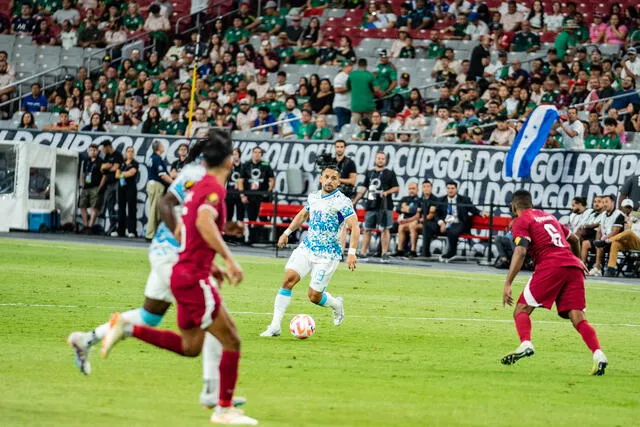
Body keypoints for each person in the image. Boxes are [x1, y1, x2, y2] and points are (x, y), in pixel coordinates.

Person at [68, 138, 244, 410]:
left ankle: (86, 339)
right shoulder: (197, 175)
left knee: (150, 315)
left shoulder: (199, 175)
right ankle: (213, 393)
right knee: (214, 320)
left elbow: (195, 217)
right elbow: (166, 204)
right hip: (175, 256)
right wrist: (179, 233)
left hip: (170, 254)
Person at [500, 190, 608, 376]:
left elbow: (521, 251)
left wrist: (508, 282)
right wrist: (577, 259)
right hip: (572, 266)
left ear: (514, 206)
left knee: (521, 310)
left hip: (550, 265)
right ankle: (599, 354)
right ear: (531, 203)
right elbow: (574, 239)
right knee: (578, 317)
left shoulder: (521, 221)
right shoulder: (547, 216)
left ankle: (526, 343)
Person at [260, 165, 359, 337]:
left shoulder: (342, 201)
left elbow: (354, 226)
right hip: (307, 248)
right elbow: (303, 215)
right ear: (321, 178)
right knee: (287, 280)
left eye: (333, 178)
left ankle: (336, 304)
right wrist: (286, 232)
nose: (329, 181)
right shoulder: (313, 197)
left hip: (328, 254)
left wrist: (352, 252)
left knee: (313, 296)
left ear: (338, 181)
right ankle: (275, 326)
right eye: (326, 177)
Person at [352, 151, 400, 263]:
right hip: (371, 204)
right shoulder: (370, 173)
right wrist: (354, 201)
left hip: (385, 205)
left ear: (385, 160)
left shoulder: (389, 173)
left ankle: (384, 254)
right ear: (375, 159)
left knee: (385, 229)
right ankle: (363, 253)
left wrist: (386, 192)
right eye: (378, 158)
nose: (380, 160)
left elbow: (396, 188)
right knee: (367, 229)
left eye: (382, 158)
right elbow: (363, 189)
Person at [437, 181, 488, 262]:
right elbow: (437, 214)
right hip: (447, 222)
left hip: (461, 223)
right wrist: (441, 223)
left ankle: (451, 253)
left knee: (452, 228)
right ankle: (424, 253)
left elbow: (472, 209)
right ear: (446, 189)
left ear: (457, 189)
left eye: (452, 188)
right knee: (429, 226)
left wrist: (481, 212)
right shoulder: (441, 200)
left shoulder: (464, 199)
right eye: (448, 188)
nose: (450, 190)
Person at [237, 147, 275, 244]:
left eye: (259, 152)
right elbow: (240, 181)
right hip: (249, 196)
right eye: (255, 152)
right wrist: (242, 195)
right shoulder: (246, 165)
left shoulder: (265, 165)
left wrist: (269, 191)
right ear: (252, 153)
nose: (257, 154)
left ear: (261, 154)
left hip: (262, 196)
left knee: (264, 218)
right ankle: (251, 238)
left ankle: (264, 239)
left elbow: (272, 180)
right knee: (251, 218)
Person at [589, 195, 625, 276]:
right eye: (603, 202)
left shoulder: (619, 214)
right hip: (605, 240)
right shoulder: (603, 214)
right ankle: (596, 267)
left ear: (612, 202)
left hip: (616, 241)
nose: (604, 204)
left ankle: (598, 267)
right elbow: (599, 230)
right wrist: (597, 240)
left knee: (600, 245)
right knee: (597, 243)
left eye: (606, 202)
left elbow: (615, 231)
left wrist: (604, 239)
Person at [145, 140, 173, 240]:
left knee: (156, 210)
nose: (163, 147)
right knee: (154, 210)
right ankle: (150, 234)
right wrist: (174, 183)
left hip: (153, 184)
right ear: (158, 148)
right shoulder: (157, 158)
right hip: (156, 185)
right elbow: (163, 176)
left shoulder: (152, 158)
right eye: (162, 145)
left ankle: (154, 233)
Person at [605, 199, 640, 277]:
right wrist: (627, 223)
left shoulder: (635, 216)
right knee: (616, 243)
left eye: (629, 208)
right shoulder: (624, 218)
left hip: (638, 242)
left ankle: (608, 241)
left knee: (629, 232)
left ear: (632, 209)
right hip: (630, 243)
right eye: (626, 207)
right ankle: (611, 268)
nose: (628, 209)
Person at [78, 144, 104, 233]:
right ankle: (85, 225)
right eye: (91, 150)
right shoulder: (86, 161)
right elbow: (84, 173)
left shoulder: (100, 161)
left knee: (94, 206)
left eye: (94, 150)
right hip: (86, 186)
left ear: (97, 151)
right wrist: (83, 183)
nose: (92, 152)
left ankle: (90, 226)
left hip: (95, 186)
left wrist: (100, 186)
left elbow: (104, 175)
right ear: (88, 151)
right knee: (82, 205)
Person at [100, 141, 123, 236]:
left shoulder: (117, 155)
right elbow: (102, 169)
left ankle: (120, 227)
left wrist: (106, 167)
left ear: (108, 146)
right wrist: (106, 166)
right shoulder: (107, 157)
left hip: (117, 183)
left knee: (118, 205)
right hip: (109, 184)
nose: (102, 150)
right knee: (109, 206)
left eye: (103, 148)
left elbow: (115, 168)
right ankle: (112, 226)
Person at [392, 182, 421, 258]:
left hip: (414, 220)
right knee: (401, 227)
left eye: (413, 188)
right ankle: (400, 250)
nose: (411, 190)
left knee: (413, 225)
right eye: (410, 189)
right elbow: (397, 208)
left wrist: (405, 208)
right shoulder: (404, 198)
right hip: (404, 221)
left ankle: (413, 250)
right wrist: (408, 209)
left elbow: (415, 211)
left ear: (418, 190)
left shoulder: (419, 200)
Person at [116, 146, 138, 238]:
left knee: (131, 209)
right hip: (121, 187)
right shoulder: (121, 163)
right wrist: (124, 174)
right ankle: (121, 230)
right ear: (126, 153)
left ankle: (131, 230)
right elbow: (116, 175)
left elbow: (132, 173)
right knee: (121, 208)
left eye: (132, 151)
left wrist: (122, 173)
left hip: (131, 188)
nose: (130, 153)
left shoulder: (135, 163)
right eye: (128, 151)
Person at [226, 148, 245, 223]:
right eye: (233, 154)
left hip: (239, 194)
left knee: (240, 217)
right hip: (229, 194)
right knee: (228, 216)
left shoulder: (244, 166)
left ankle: (239, 234)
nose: (234, 156)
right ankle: (228, 234)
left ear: (239, 155)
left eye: (236, 154)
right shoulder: (228, 166)